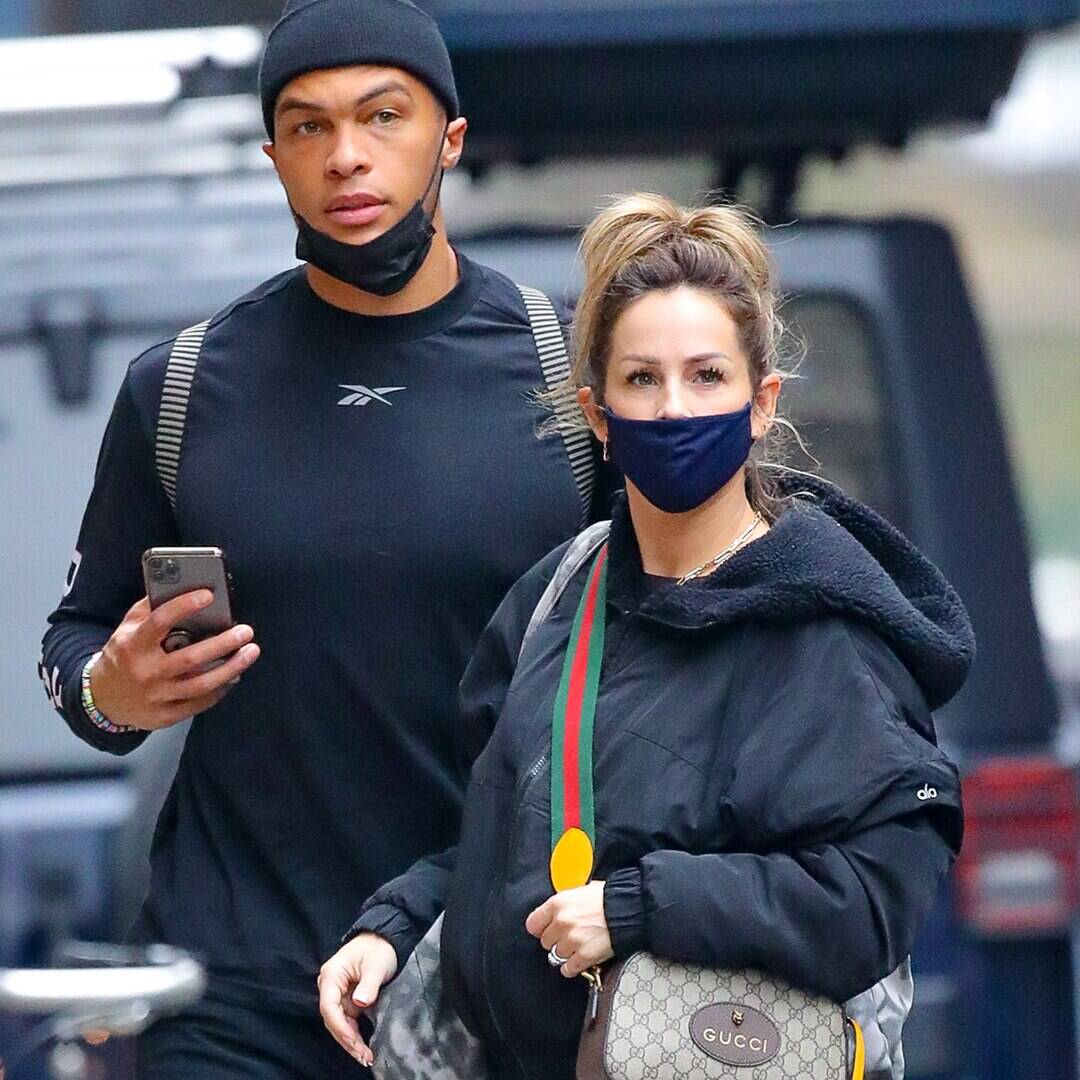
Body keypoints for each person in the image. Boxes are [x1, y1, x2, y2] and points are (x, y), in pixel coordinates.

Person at [38, 2, 614, 1076]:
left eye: (382, 116)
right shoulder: (182, 387)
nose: (345, 154)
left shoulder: (565, 376)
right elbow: (71, 647)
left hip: (490, 967)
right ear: (274, 158)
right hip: (234, 984)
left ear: (449, 139)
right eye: (307, 126)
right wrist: (110, 693)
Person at [318, 193, 973, 1078]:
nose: (672, 411)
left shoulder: (822, 632)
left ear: (761, 403)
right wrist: (395, 926)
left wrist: (640, 907)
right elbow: (501, 838)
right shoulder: (559, 595)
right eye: (641, 380)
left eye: (706, 377)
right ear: (598, 415)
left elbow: (867, 902)